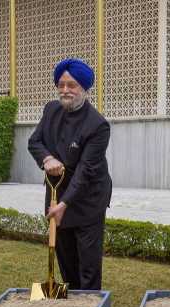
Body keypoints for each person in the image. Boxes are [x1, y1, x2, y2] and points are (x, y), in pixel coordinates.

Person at [28, 58, 112, 290]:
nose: (65, 90)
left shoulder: (98, 125)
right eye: (61, 84)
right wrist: (47, 158)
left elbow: (86, 171)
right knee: (65, 259)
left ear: (84, 89)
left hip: (88, 199)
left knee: (87, 263)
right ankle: (72, 305)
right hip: (57, 193)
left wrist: (65, 204)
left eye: (72, 85)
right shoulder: (51, 109)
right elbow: (34, 142)